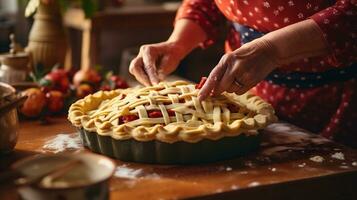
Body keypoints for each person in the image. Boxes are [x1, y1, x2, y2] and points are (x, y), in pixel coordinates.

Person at [129, 0, 357, 147]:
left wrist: (271, 50)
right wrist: (177, 43)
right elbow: (206, 4)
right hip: (243, 98)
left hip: (338, 100)